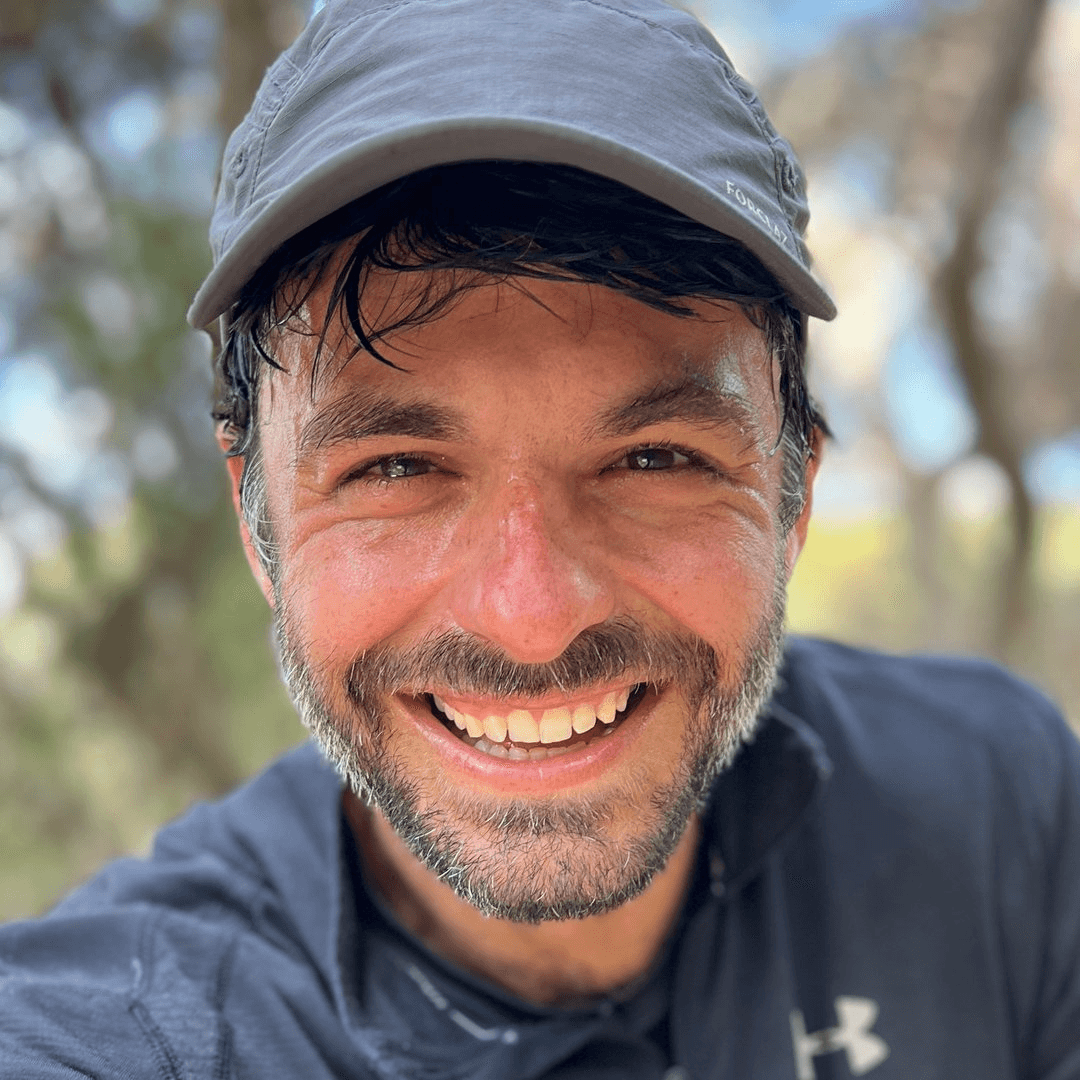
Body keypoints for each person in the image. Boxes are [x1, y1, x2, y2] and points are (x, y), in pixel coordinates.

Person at [2, 0, 1078, 1076]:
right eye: (396, 469)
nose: (532, 617)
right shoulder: (126, 1031)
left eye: (655, 460)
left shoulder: (1002, 807)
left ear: (795, 499)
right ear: (259, 522)